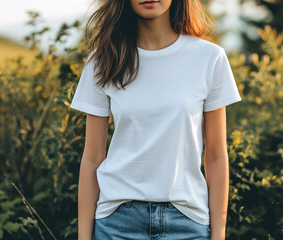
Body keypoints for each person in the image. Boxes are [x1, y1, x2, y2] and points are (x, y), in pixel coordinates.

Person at [70, 0, 242, 239]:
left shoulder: (209, 58)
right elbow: (92, 158)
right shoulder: (103, 60)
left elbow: (216, 156)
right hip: (118, 223)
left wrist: (219, 234)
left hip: (187, 222)